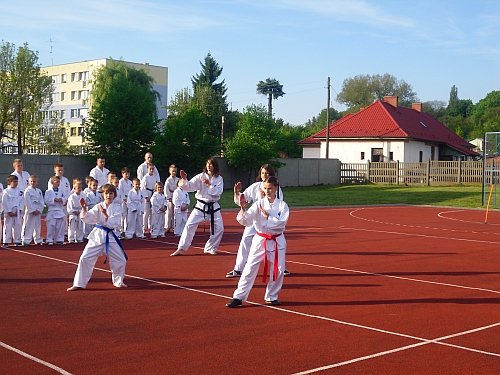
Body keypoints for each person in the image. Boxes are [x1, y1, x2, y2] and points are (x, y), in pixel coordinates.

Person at [226, 176, 289, 308]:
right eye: (265, 188)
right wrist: (243, 208)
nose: (267, 191)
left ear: (276, 188)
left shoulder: (282, 206)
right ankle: (239, 296)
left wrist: (268, 217)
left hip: (277, 240)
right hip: (260, 239)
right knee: (250, 268)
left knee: (278, 269)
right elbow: (247, 221)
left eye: (270, 188)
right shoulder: (258, 204)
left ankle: (272, 296)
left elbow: (281, 224)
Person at [67, 183, 128, 291]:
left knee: (121, 259)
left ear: (114, 195)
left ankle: (118, 281)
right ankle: (79, 283)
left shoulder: (117, 207)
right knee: (85, 258)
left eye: (111, 193)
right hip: (98, 235)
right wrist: (84, 209)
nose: (108, 196)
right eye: (106, 193)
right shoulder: (98, 206)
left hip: (111, 236)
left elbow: (115, 223)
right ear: (103, 195)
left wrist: (105, 215)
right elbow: (88, 218)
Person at [171, 157, 224, 256]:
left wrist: (209, 185)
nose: (209, 165)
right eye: (208, 163)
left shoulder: (219, 179)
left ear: (215, 166)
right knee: (189, 225)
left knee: (219, 228)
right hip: (201, 206)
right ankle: (182, 248)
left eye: (211, 164)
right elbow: (189, 187)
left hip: (213, 207)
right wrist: (184, 179)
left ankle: (210, 247)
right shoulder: (201, 176)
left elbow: (218, 193)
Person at [22, 175, 45, 245]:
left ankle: (37, 239)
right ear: (29, 182)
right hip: (30, 211)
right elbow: (27, 201)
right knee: (28, 224)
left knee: (37, 225)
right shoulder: (27, 190)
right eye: (31, 181)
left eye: (34, 181)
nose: (32, 183)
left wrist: (39, 210)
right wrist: (32, 210)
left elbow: (41, 201)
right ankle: (26, 239)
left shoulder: (39, 191)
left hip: (37, 210)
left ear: (37, 182)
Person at [45, 176, 68, 245]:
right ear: (52, 182)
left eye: (59, 182)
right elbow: (46, 201)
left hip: (60, 210)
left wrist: (62, 200)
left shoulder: (62, 191)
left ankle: (59, 239)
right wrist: (54, 200)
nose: (58, 183)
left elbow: (65, 199)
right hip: (52, 210)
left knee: (60, 226)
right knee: (51, 225)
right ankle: (50, 239)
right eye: (56, 181)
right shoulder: (48, 191)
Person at [2, 175, 23, 246]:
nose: (16, 183)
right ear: (9, 182)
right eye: (14, 182)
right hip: (9, 211)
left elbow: (22, 200)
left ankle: (17, 240)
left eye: (17, 182)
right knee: (8, 226)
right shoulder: (6, 191)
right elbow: (5, 201)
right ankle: (6, 241)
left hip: (17, 210)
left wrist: (19, 209)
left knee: (17, 225)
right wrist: (9, 211)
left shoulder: (20, 190)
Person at [140, 163, 159, 234]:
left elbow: (157, 185)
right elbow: (142, 187)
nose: (151, 170)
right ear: (147, 169)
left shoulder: (155, 176)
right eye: (150, 169)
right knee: (146, 212)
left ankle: (151, 227)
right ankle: (144, 227)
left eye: (152, 169)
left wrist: (155, 194)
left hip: (153, 193)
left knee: (152, 212)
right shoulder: (145, 177)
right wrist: (146, 196)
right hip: (147, 194)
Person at [67, 178, 84, 243]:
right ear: (74, 188)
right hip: (73, 214)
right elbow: (69, 207)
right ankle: (71, 238)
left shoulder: (83, 195)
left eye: (80, 188)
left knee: (80, 226)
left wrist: (81, 211)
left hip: (80, 212)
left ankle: (79, 238)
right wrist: (73, 211)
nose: (80, 189)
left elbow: (84, 205)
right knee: (72, 227)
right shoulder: (71, 197)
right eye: (78, 188)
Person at [163, 164, 179, 234]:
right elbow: (166, 189)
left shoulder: (178, 179)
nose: (174, 173)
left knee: (175, 213)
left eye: (175, 171)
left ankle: (174, 226)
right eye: (173, 171)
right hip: (170, 196)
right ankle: (167, 227)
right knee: (169, 213)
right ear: (170, 171)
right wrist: (168, 197)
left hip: (176, 197)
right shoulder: (168, 180)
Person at [118, 167, 132, 234]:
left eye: (128, 174)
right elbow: (121, 191)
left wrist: (129, 199)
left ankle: (127, 230)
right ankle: (121, 230)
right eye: (125, 174)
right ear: (122, 174)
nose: (127, 175)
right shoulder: (121, 182)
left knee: (128, 216)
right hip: (123, 201)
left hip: (129, 200)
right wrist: (124, 199)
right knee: (122, 215)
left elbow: (132, 191)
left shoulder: (130, 182)